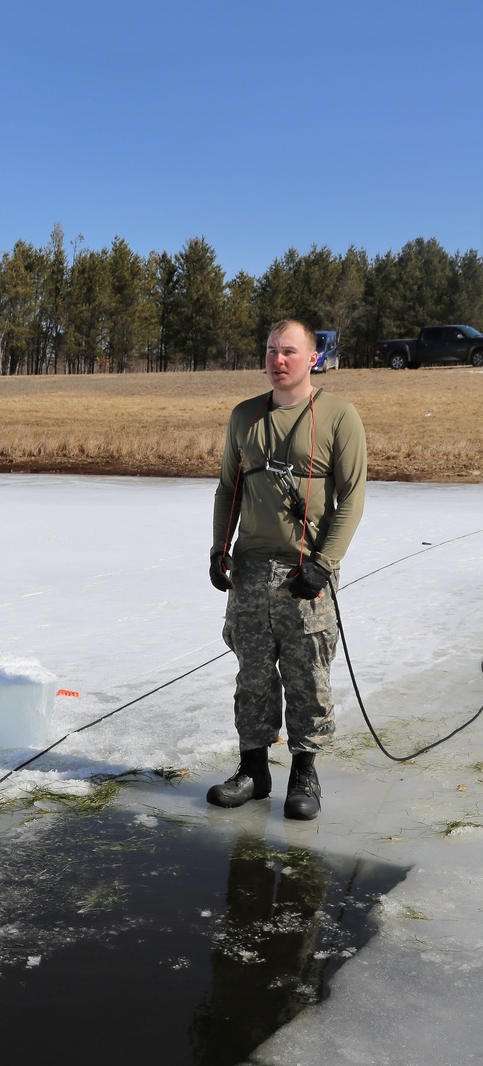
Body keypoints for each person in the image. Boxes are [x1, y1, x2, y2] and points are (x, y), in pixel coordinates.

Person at [207, 318, 366, 820]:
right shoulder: (244, 417)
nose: (279, 360)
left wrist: (323, 564)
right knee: (252, 675)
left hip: (306, 576)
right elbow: (227, 488)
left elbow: (352, 500)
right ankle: (253, 770)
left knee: (308, 677)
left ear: (312, 358)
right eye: (272, 350)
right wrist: (218, 549)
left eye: (290, 352)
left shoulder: (339, 416)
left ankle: (305, 774)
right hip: (251, 572)